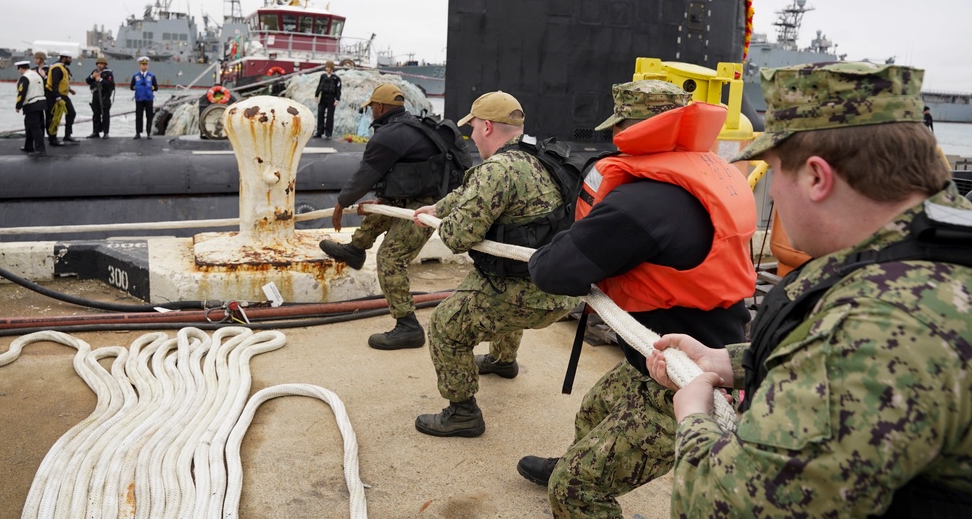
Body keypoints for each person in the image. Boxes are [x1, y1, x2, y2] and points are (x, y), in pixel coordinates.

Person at [648, 62, 972, 516]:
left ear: (818, 177)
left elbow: (730, 507)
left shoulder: (872, 327)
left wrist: (694, 417)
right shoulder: (938, 250)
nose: (773, 193)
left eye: (776, 171)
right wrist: (732, 361)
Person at [518, 80, 757, 517]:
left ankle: (579, 481)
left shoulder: (642, 202)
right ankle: (583, 461)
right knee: (595, 408)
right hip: (681, 343)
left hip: (685, 373)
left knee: (572, 493)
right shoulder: (705, 171)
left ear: (631, 127)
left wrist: (569, 242)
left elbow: (554, 270)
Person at [411, 91, 579, 438]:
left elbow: (457, 238)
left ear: (486, 127)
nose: (470, 136)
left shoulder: (497, 170)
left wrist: (446, 221)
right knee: (495, 277)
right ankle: (503, 362)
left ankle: (462, 413)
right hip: (559, 289)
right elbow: (473, 189)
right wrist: (438, 208)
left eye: (472, 128)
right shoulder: (539, 156)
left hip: (527, 296)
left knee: (445, 325)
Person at [318, 83, 447, 350]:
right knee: (383, 207)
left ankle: (408, 326)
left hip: (427, 204)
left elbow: (367, 173)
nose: (371, 114)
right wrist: (385, 195)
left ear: (379, 107)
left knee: (390, 258)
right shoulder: (410, 125)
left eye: (371, 109)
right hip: (416, 195)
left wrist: (342, 203)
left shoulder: (389, 134)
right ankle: (355, 249)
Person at [14, 60, 47, 156]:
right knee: (30, 126)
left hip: (31, 104)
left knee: (35, 127)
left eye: (19, 69)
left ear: (21, 68)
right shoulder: (37, 75)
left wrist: (18, 106)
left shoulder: (25, 77)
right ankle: (28, 146)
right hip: (41, 102)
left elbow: (22, 92)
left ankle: (40, 150)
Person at [45, 51, 78, 145]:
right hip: (55, 95)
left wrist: (69, 89)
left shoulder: (62, 68)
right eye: (70, 58)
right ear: (64, 58)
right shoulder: (57, 68)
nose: (71, 60)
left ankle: (67, 135)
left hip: (63, 95)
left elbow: (62, 82)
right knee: (54, 117)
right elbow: (54, 83)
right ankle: (52, 138)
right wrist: (58, 97)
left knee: (71, 113)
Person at [85, 57, 114, 138]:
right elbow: (87, 81)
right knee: (96, 114)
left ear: (105, 64)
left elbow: (110, 85)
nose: (100, 65)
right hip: (96, 95)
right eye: (98, 64)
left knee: (105, 114)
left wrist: (100, 79)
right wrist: (92, 76)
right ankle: (95, 132)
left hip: (105, 96)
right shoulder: (95, 72)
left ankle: (106, 132)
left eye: (101, 64)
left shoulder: (108, 73)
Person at [130, 56, 158, 139]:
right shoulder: (135, 76)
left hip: (149, 99)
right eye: (143, 64)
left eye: (146, 64)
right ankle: (138, 133)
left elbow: (156, 87)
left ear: (148, 66)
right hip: (139, 99)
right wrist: (138, 88)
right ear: (140, 65)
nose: (144, 66)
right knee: (139, 117)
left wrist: (150, 88)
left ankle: (149, 133)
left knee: (149, 117)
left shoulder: (152, 76)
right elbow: (131, 87)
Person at [314, 60, 341, 139]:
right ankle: (319, 132)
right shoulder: (323, 76)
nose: (327, 69)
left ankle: (328, 133)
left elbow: (338, 89)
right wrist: (316, 95)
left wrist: (337, 99)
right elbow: (319, 86)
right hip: (323, 97)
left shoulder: (336, 78)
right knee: (320, 114)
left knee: (330, 116)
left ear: (331, 68)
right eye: (326, 67)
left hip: (331, 98)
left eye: (328, 67)